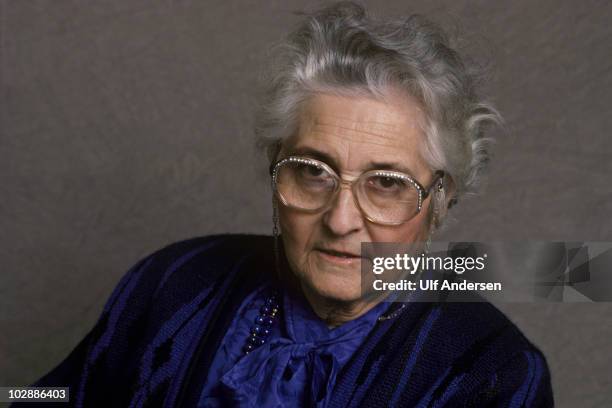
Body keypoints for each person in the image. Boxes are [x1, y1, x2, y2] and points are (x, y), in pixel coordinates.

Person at [20, 2, 553, 407]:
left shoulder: (494, 374)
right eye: (312, 172)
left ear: (440, 199)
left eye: (387, 183)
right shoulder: (177, 280)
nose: (341, 221)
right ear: (277, 168)